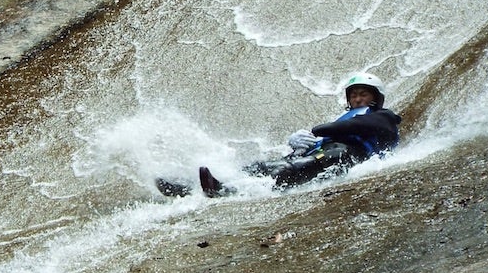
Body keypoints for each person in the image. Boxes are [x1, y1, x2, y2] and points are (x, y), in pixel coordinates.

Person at [156, 72, 402, 198]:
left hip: (345, 157)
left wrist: (316, 132)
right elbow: (332, 134)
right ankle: (193, 187)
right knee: (264, 165)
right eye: (353, 95)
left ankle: (229, 191)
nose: (357, 99)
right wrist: (300, 144)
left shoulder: (384, 116)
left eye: (363, 94)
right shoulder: (345, 119)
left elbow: (345, 130)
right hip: (326, 152)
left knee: (292, 169)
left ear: (375, 98)